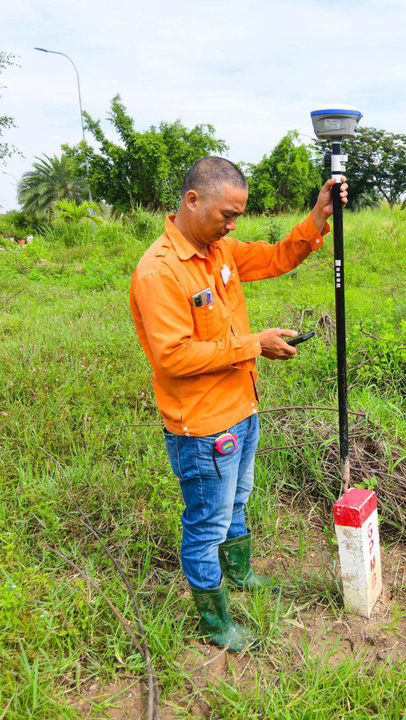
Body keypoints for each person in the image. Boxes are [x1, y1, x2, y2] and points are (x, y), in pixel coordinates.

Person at [129, 156, 347, 652]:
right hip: (203, 426)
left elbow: (275, 257)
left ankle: (242, 575)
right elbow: (173, 356)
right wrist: (255, 345)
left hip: (241, 410)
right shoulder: (159, 272)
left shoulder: (219, 250)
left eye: (238, 217)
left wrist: (318, 217)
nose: (233, 225)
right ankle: (215, 623)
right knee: (206, 523)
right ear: (192, 200)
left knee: (237, 502)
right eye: (227, 214)